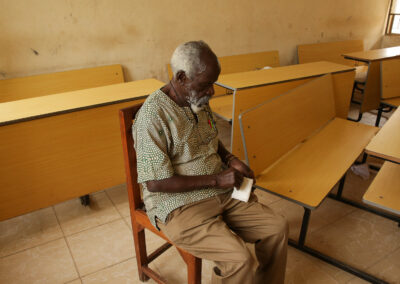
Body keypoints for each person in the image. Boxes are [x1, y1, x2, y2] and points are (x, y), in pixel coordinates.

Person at [132, 40, 288, 284]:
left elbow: (211, 139)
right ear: (182, 77)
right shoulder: (152, 116)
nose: (211, 91)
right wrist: (218, 178)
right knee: (239, 259)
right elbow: (155, 182)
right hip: (179, 205)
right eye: (206, 85)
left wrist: (231, 160)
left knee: (276, 228)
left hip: (221, 191)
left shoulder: (197, 100)